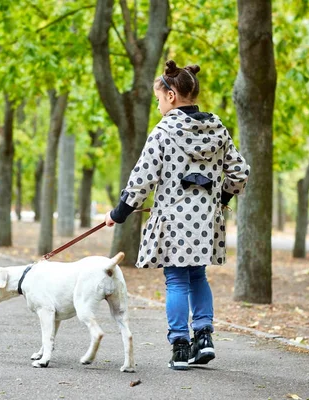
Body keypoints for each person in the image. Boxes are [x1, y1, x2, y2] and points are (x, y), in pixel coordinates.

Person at [104, 60, 250, 370]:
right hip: (206, 220)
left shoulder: (164, 130)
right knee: (198, 275)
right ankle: (205, 338)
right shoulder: (217, 127)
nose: (157, 106)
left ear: (171, 96)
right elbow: (239, 172)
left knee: (176, 281)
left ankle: (181, 346)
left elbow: (142, 178)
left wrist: (119, 213)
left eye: (158, 99)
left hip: (173, 221)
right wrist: (220, 199)